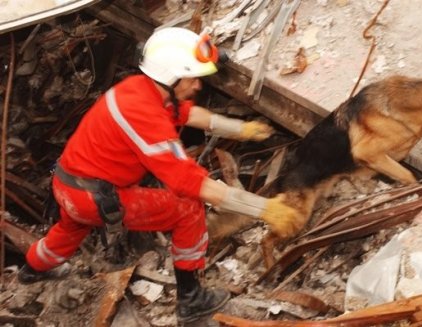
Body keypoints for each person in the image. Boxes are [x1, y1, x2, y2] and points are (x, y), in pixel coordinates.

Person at [17, 27, 299, 322]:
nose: (198, 86)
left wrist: (241, 129)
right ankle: (192, 299)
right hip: (93, 197)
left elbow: (187, 114)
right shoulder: (145, 118)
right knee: (187, 209)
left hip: (67, 185)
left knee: (70, 227)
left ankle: (33, 269)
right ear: (172, 77)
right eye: (193, 79)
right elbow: (191, 183)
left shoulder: (140, 89)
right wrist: (265, 209)